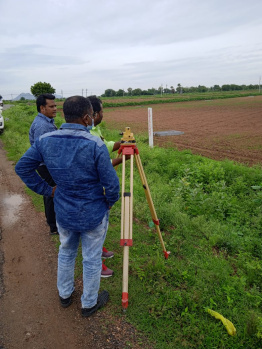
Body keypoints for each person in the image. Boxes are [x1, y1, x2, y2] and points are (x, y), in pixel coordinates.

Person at [15, 95, 120, 317]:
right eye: (92, 116)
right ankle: (89, 303)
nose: (93, 119)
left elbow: (22, 167)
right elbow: (111, 185)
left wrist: (49, 190)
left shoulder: (46, 140)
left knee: (66, 252)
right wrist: (108, 203)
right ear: (85, 118)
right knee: (91, 258)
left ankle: (65, 295)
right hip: (93, 212)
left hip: (64, 210)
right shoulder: (95, 144)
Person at [87, 95, 124, 278]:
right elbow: (100, 164)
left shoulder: (95, 129)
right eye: (101, 111)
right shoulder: (88, 133)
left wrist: (119, 144)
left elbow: (105, 145)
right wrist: (122, 158)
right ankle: (97, 264)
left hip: (99, 186)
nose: (103, 114)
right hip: (97, 187)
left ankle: (99, 249)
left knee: (101, 226)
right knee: (98, 226)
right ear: (93, 114)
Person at [29, 94, 58, 235]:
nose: (55, 109)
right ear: (42, 108)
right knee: (51, 193)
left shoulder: (47, 121)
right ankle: (54, 226)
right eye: (51, 106)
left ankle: (53, 223)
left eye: (55, 105)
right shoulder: (42, 126)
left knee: (50, 192)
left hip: (47, 164)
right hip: (46, 165)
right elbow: (44, 151)